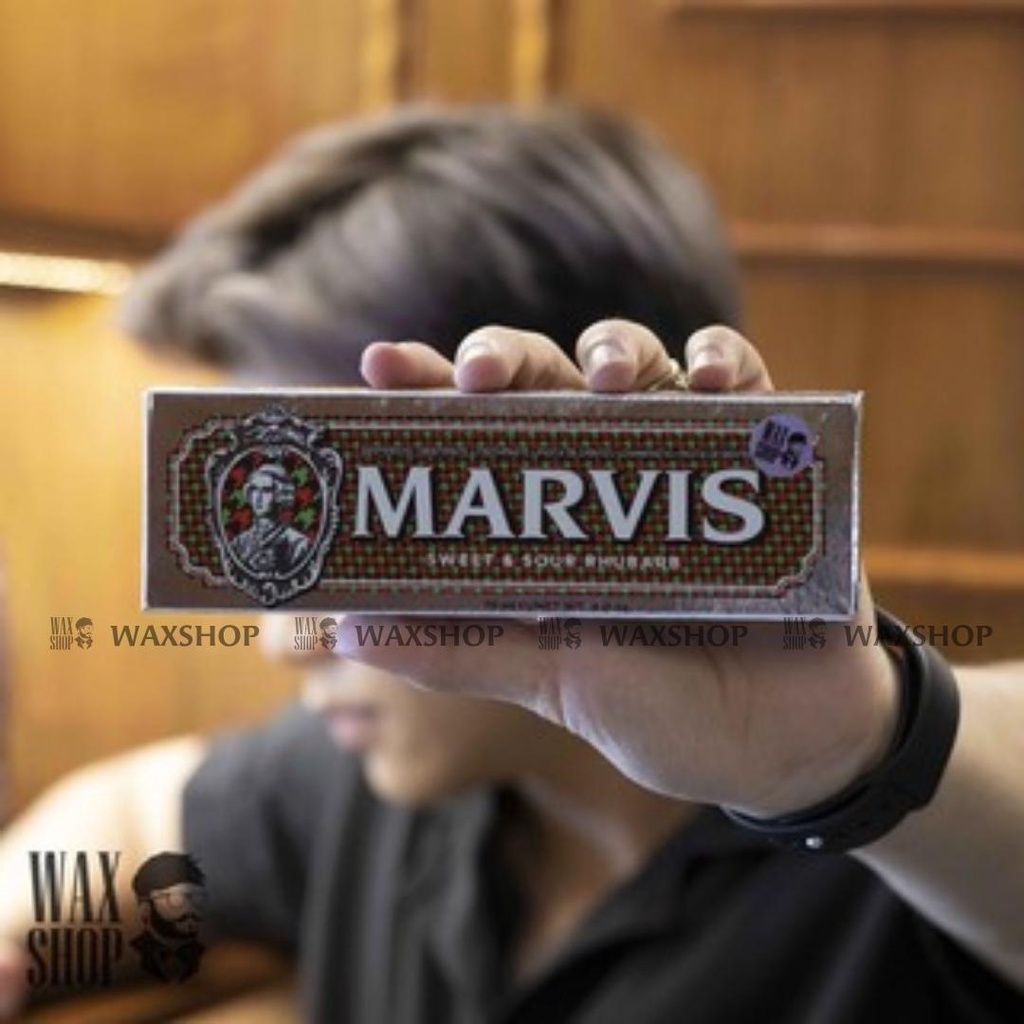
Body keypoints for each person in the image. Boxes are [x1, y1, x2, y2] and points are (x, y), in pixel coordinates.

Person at [1, 104, 1022, 1023]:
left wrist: (859, 755)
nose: (285, 642)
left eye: (349, 527)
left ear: (572, 454)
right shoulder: (368, 781)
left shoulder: (926, 858)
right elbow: (131, 811)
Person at [230, 462, 311, 575]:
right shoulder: (239, 542)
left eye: (266, 491)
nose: (258, 498)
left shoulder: (298, 544)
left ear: (281, 496)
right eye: (254, 490)